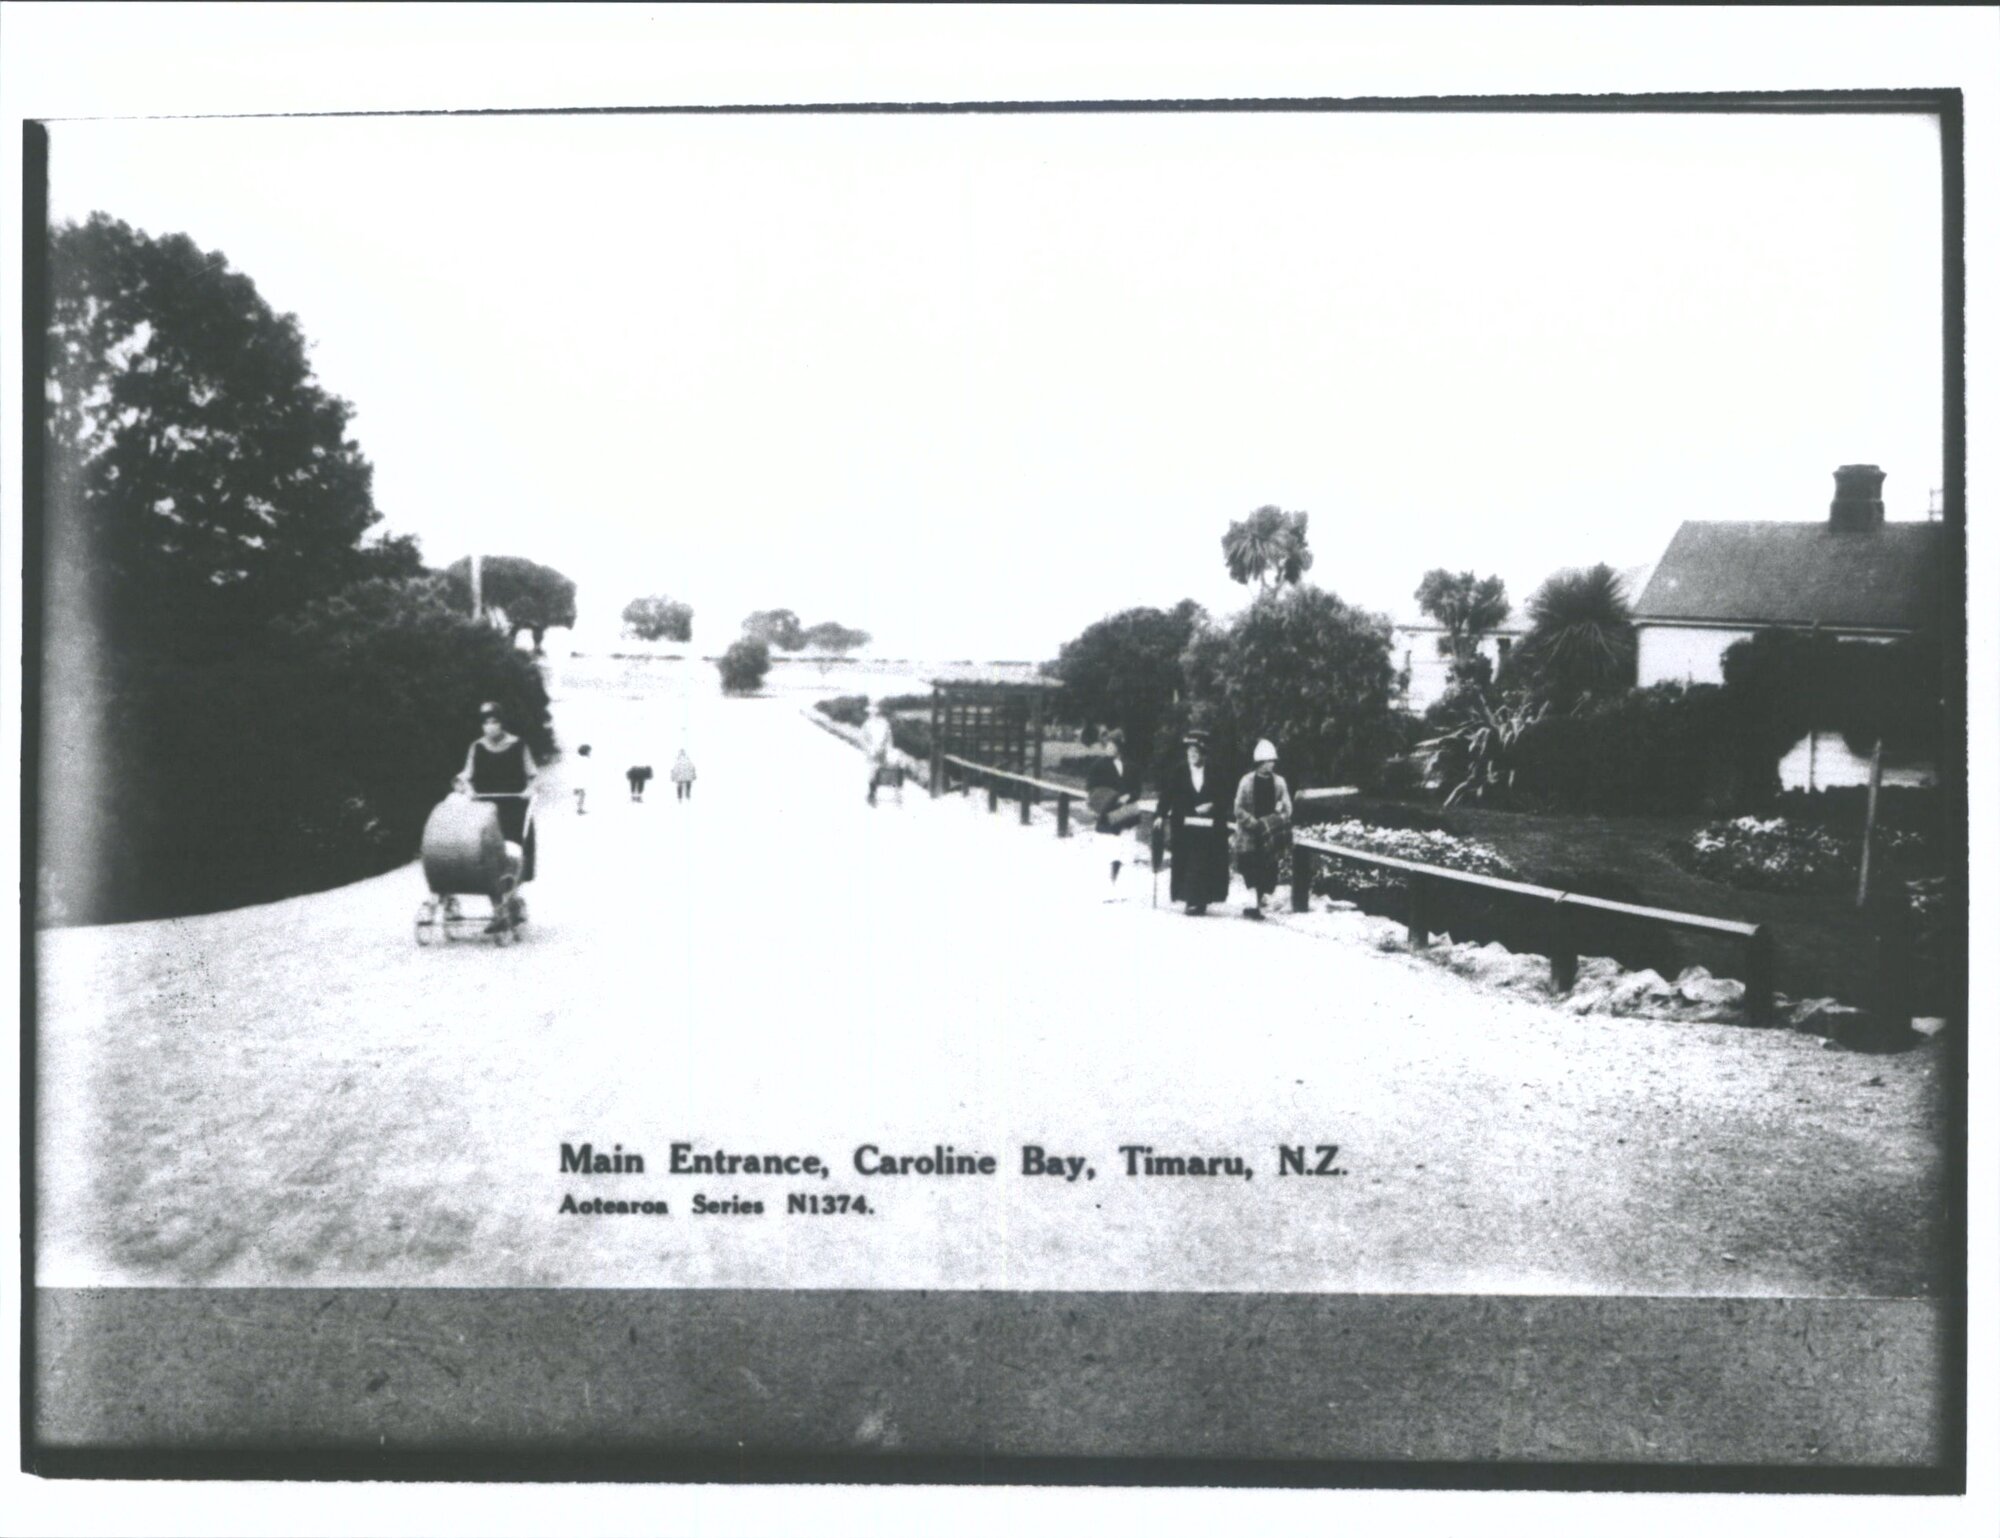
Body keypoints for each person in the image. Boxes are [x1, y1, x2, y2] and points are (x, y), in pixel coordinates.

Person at [456, 701, 539, 933]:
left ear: (502, 724)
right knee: (486, 860)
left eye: (494, 722)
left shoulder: (518, 745)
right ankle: (499, 910)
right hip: (485, 811)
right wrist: (468, 788)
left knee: (512, 858)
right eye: (486, 723)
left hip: (513, 808)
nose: (490, 727)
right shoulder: (477, 747)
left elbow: (533, 775)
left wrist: (529, 789)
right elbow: (466, 775)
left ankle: (510, 902)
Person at [1155, 728, 1231, 915]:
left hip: (1209, 826)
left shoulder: (1215, 770)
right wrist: (1160, 815)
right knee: (1187, 860)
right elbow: (1168, 795)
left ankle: (1202, 899)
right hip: (1184, 824)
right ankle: (1190, 900)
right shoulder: (1179, 771)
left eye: (1196, 753)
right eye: (1189, 752)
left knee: (1205, 861)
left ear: (1204, 754)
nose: (1192, 755)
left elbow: (1226, 796)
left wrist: (1212, 805)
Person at [1233, 738, 1294, 920]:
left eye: (1273, 761)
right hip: (1250, 834)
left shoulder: (1279, 782)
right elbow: (1238, 808)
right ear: (1259, 762)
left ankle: (1261, 902)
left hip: (1269, 834)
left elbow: (1288, 807)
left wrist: (1278, 817)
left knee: (1269, 868)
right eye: (1268, 761)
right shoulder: (1246, 781)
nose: (1272, 764)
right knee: (1250, 867)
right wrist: (1252, 823)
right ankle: (1254, 902)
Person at [1083, 727, 1146, 890]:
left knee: (1123, 848)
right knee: (1109, 848)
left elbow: (1137, 790)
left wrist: (1129, 797)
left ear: (1119, 747)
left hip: (1127, 812)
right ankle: (1106, 885)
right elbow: (1091, 789)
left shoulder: (1132, 766)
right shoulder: (1098, 766)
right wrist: (1102, 802)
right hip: (1107, 812)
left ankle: (1118, 882)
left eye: (1111, 745)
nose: (1108, 748)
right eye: (1107, 745)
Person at [862, 701, 902, 807]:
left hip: (884, 751)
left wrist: (889, 749)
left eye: (875, 712)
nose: (873, 714)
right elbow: (863, 739)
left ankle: (896, 796)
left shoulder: (885, 723)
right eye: (871, 712)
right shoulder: (867, 724)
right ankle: (872, 795)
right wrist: (870, 749)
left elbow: (889, 738)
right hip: (872, 752)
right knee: (873, 772)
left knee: (890, 771)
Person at [573, 744, 593, 815]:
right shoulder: (585, 760)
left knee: (581, 794)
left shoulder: (579, 759)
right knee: (582, 795)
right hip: (581, 780)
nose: (590, 753)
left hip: (578, 780)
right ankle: (579, 809)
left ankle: (579, 808)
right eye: (589, 751)